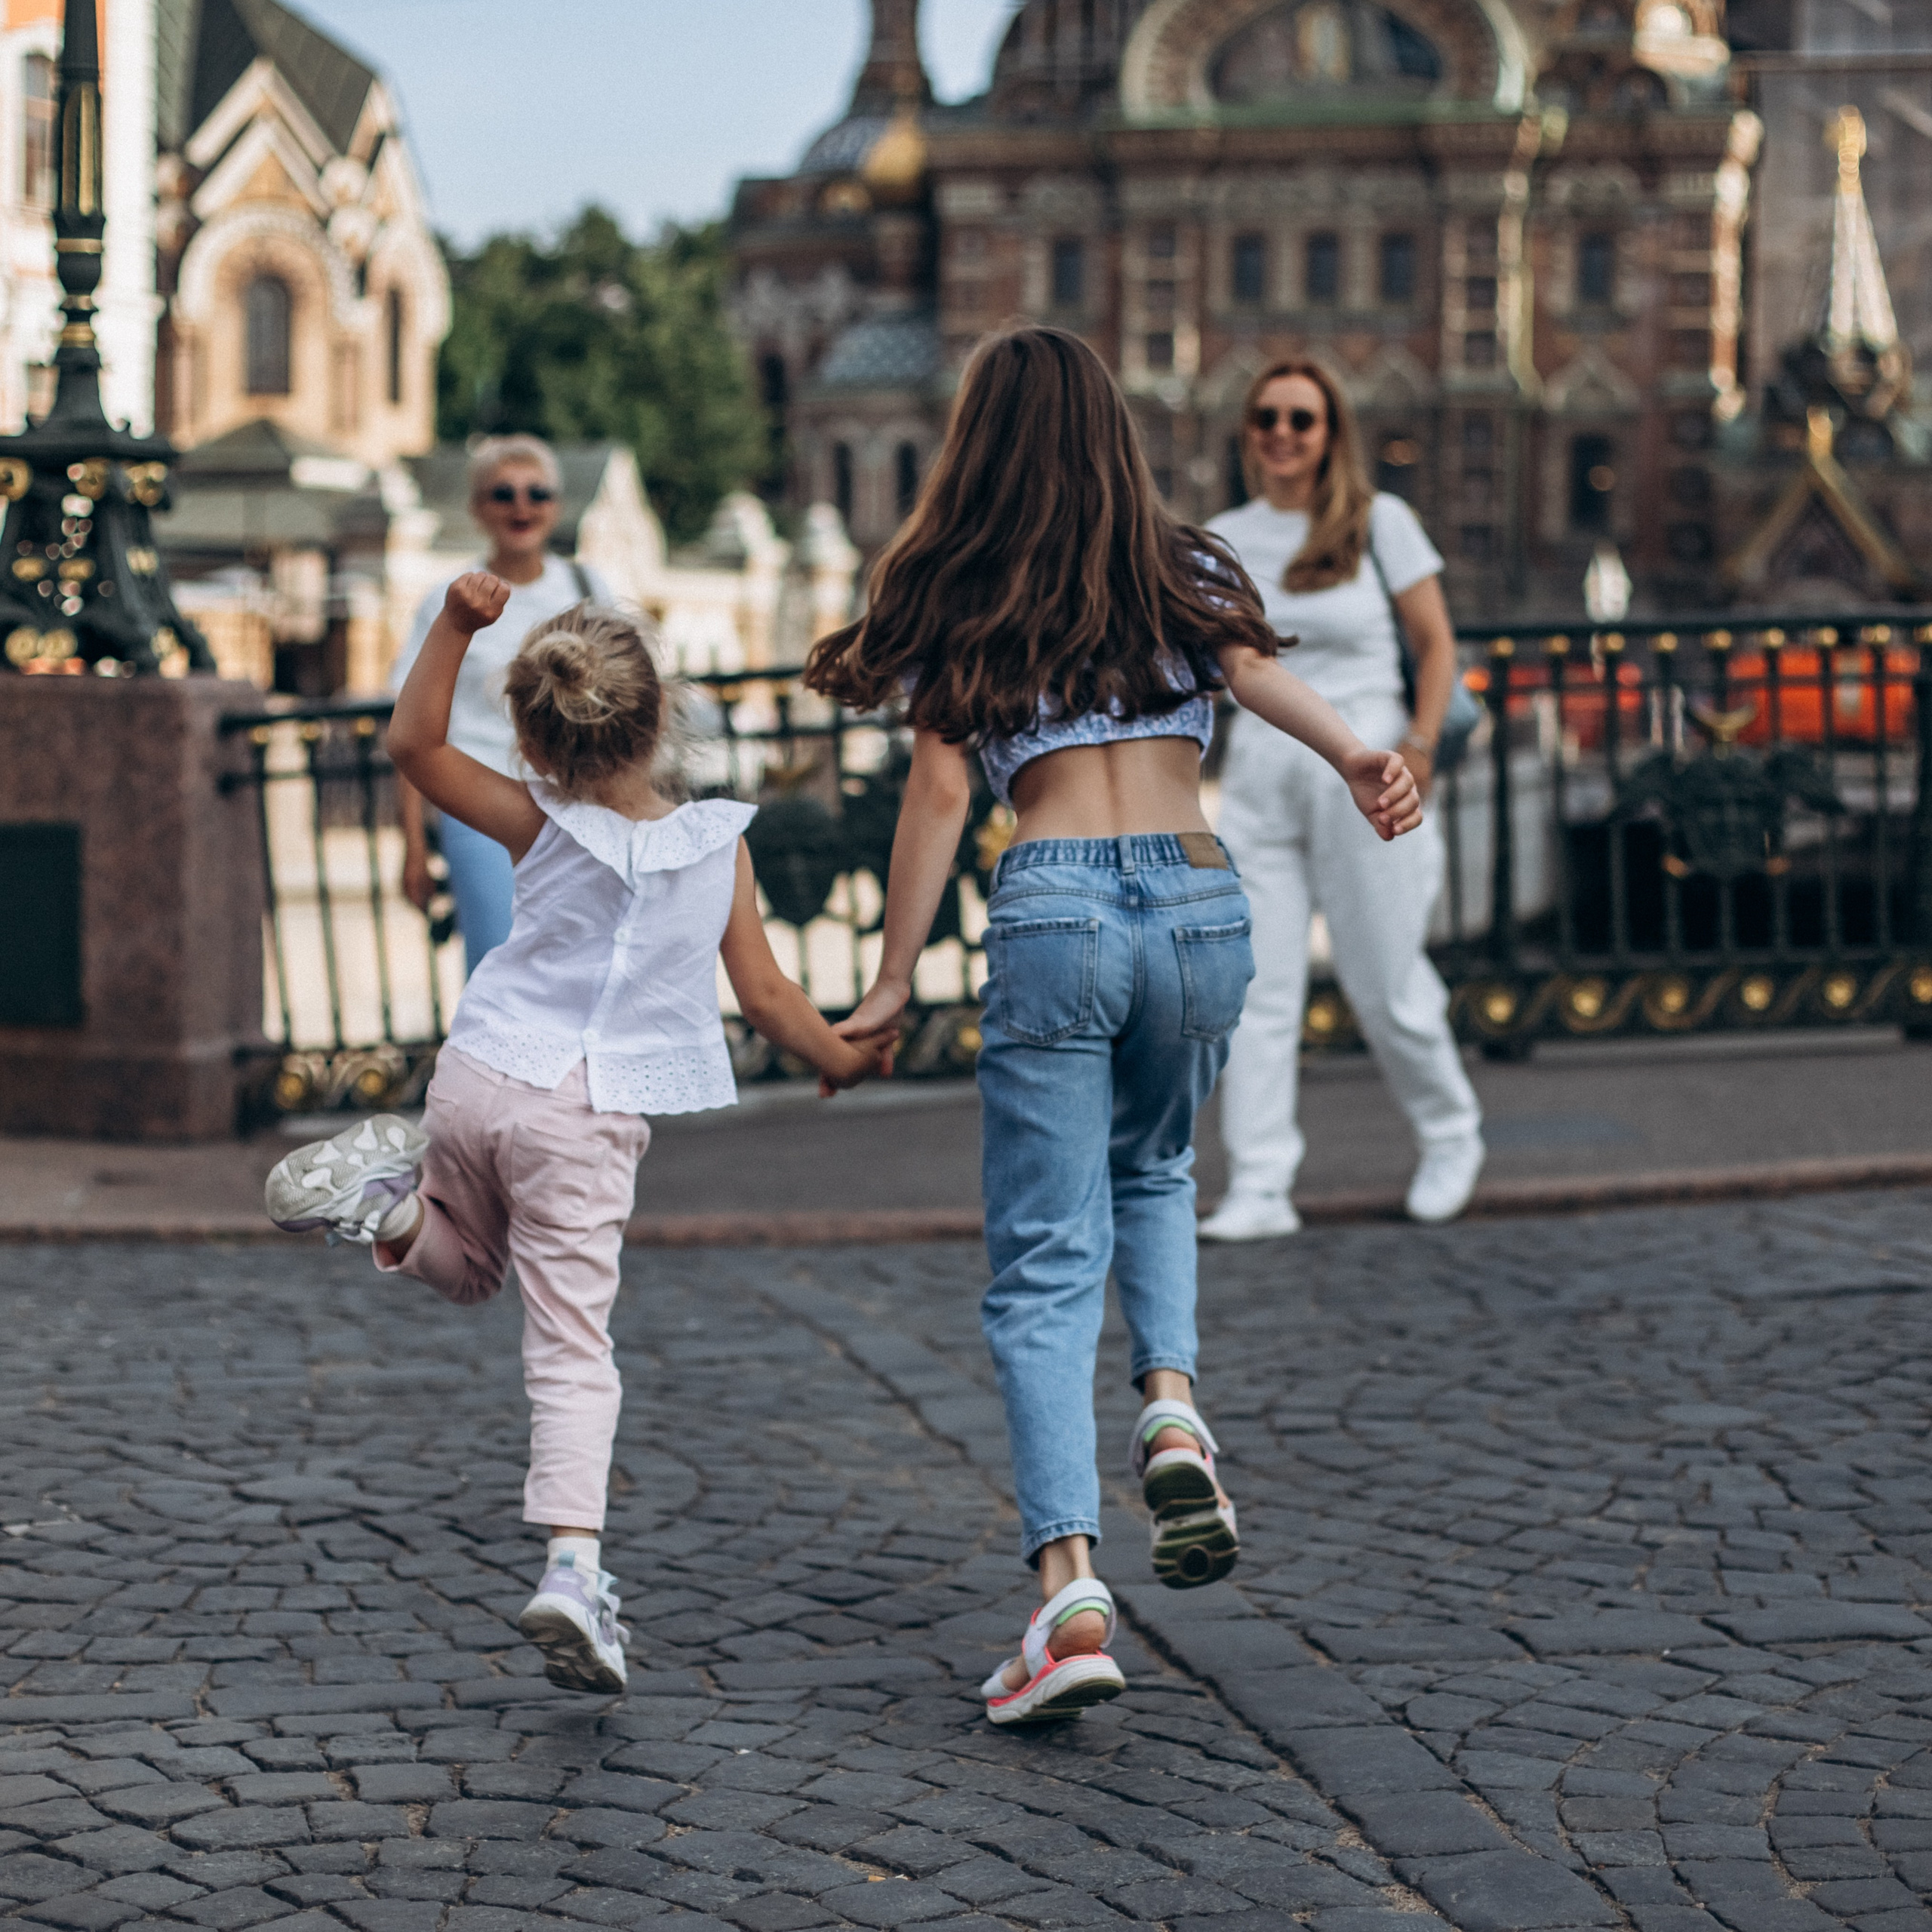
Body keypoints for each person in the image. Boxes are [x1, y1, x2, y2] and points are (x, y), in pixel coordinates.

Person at [805, 327, 1421, 1726]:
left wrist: (896, 975)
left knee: (1039, 1262)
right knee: (1156, 1173)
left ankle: (1071, 1599)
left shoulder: (966, 583)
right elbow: (1260, 680)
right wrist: (1361, 754)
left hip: (1060, 903)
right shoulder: (1184, 565)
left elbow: (942, 800)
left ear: (978, 442)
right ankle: (1172, 1408)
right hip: (1204, 905)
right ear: (1112, 435)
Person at [266, 579, 889, 1695]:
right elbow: (769, 997)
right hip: (585, 1119)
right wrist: (841, 1058)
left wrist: (456, 624)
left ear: (532, 738)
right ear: (660, 719)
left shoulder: (537, 820)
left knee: (470, 1273)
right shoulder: (717, 846)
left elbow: (411, 743)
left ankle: (397, 1205)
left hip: (478, 1075)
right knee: (572, 1349)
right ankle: (573, 1568)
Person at [1198, 360, 1485, 1241]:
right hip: (1259, 776)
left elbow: (1434, 645)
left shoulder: (1379, 522)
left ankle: (1449, 1133)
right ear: (1246, 430)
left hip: (1367, 766)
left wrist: (1421, 743)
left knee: (1385, 977)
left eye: (1301, 419)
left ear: (1330, 435)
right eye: (1266, 417)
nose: (1281, 433)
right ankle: (1259, 1178)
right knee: (1256, 988)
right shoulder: (1222, 535)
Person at [392, 435, 611, 974]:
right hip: (476, 796)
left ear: (557, 506)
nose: (522, 506)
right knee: (497, 954)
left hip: (574, 799)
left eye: (538, 493)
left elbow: (621, 700)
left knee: (580, 958)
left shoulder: (587, 587)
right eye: (503, 493)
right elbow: (412, 720)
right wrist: (414, 845)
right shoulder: (449, 596)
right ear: (477, 508)